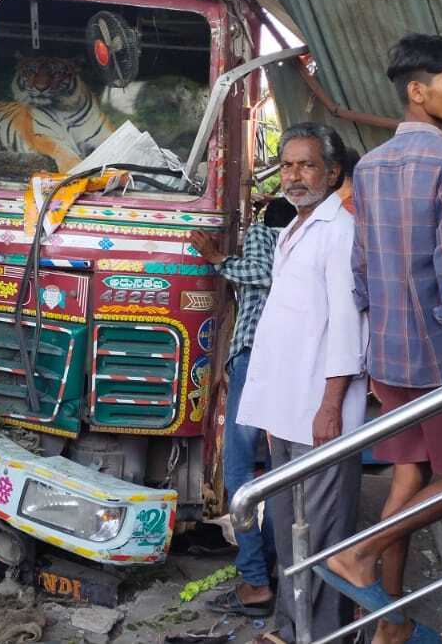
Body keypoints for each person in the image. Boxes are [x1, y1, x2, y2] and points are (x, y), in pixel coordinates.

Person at [322, 34, 442, 644]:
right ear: (418, 91)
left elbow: (360, 268)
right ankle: (360, 555)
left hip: (389, 354)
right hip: (439, 355)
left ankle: (388, 626)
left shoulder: (370, 167)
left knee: (409, 474)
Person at [235, 122, 367, 644]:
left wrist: (331, 405)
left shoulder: (339, 231)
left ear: (332, 173)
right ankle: (292, 630)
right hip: (286, 409)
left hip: (319, 410)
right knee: (291, 530)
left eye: (306, 164)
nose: (294, 175)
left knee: (323, 532)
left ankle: (324, 634)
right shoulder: (295, 227)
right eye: (287, 164)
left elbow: (345, 325)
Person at [191, 195, 296, 619]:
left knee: (239, 471)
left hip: (255, 356)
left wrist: (217, 258)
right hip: (288, 361)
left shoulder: (263, 232)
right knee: (277, 470)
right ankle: (265, 568)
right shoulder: (306, 235)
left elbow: (259, 273)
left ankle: (255, 582)